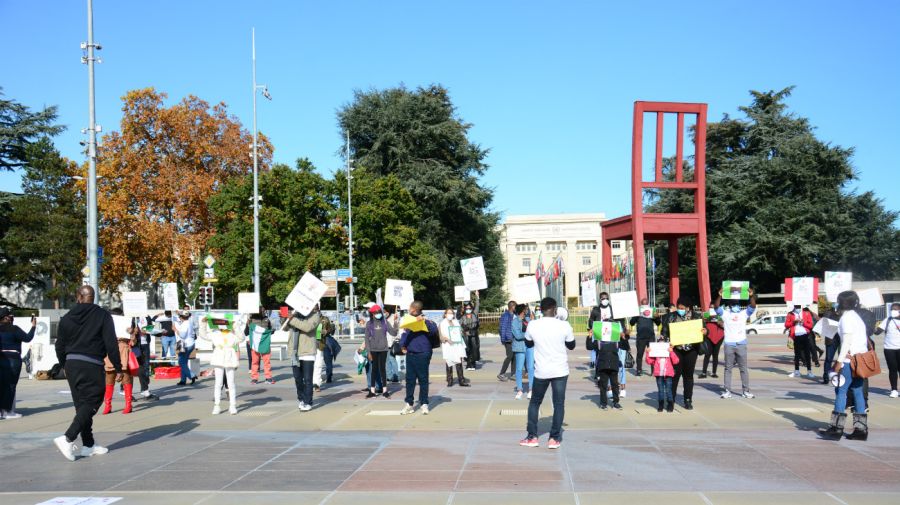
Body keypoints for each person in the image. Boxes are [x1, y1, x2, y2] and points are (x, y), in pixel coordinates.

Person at [53, 285, 122, 461]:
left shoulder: (67, 317)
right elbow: (111, 344)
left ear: (78, 297)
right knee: (94, 399)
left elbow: (59, 345)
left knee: (81, 406)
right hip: (91, 363)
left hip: (72, 363)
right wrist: (119, 367)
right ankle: (67, 438)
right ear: (93, 297)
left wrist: (64, 365)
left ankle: (88, 445)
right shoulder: (102, 315)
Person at [520, 297, 576, 449]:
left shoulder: (533, 324)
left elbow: (528, 343)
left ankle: (532, 437)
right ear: (555, 309)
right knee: (558, 404)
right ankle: (554, 438)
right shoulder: (564, 325)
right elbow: (571, 345)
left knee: (535, 403)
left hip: (542, 371)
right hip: (560, 370)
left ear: (541, 310)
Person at [819, 291, 872, 441]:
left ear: (841, 302)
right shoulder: (856, 317)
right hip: (859, 360)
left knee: (841, 391)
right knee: (857, 391)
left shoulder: (846, 318)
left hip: (849, 361)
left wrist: (839, 361)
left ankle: (836, 428)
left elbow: (847, 341)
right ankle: (861, 430)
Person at [199, 313, 245, 415]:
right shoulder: (215, 333)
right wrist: (203, 323)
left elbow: (242, 338)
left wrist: (235, 326)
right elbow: (203, 335)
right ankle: (217, 405)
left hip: (230, 357)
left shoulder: (232, 334)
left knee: (231, 383)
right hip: (218, 356)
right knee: (218, 383)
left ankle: (232, 405)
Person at [716, 288, 757, 399]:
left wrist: (751, 296)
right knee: (728, 368)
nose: (736, 306)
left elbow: (753, 306)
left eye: (737, 304)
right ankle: (727, 391)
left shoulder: (743, 313)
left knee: (743, 368)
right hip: (729, 344)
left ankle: (746, 391)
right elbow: (716, 307)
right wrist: (720, 295)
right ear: (730, 306)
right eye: (733, 304)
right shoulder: (725, 314)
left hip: (741, 344)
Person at [587, 292, 630, 397]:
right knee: (605, 361)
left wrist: (625, 333)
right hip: (602, 337)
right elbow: (591, 322)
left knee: (620, 362)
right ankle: (609, 386)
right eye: (603, 298)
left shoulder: (614, 309)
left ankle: (622, 387)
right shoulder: (596, 310)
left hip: (615, 335)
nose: (605, 300)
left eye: (606, 298)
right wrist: (593, 329)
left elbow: (622, 322)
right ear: (600, 299)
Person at [399, 301, 438, 414]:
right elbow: (404, 333)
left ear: (414, 310)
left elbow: (434, 330)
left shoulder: (426, 320)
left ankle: (424, 404)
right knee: (410, 380)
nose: (408, 309)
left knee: (423, 379)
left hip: (423, 353)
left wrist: (424, 322)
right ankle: (409, 404)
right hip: (410, 353)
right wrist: (402, 345)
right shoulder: (409, 320)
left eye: (410, 308)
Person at [661, 298, 699, 410]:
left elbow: (704, 330)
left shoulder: (696, 317)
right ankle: (670, 401)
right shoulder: (671, 317)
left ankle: (687, 400)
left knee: (688, 376)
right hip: (676, 350)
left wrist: (705, 331)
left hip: (691, 350)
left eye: (683, 308)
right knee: (674, 376)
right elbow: (664, 332)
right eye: (679, 308)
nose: (680, 310)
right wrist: (666, 340)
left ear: (688, 307)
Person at [0, 308, 35, 419]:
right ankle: (8, 412)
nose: (12, 316)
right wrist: (33, 326)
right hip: (13, 359)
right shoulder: (14, 329)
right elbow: (28, 338)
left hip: (1, 358)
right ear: (6, 317)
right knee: (10, 385)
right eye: (10, 315)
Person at [101, 308, 136, 415]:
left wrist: (131, 333)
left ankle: (128, 405)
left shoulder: (129, 324)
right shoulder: (105, 324)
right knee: (109, 378)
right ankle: (107, 405)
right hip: (110, 350)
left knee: (126, 377)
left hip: (123, 349)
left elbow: (134, 342)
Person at [287, 306, 320, 411]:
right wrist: (285, 318)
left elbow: (307, 327)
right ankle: (301, 399)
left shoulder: (315, 316)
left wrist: (292, 319)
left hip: (308, 352)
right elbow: (284, 328)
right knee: (297, 379)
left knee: (307, 379)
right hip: (295, 352)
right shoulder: (295, 315)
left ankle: (308, 401)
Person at [363, 304, 398, 398]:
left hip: (383, 349)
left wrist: (395, 322)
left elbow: (393, 333)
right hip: (373, 349)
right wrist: (369, 352)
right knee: (373, 370)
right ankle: (372, 391)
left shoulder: (385, 322)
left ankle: (385, 391)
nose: (378, 314)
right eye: (376, 312)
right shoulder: (369, 324)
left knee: (383, 370)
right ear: (372, 314)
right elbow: (366, 339)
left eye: (379, 312)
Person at [587, 330, 621, 410]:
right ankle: (603, 403)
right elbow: (589, 347)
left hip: (613, 365)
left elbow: (625, 346)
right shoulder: (599, 341)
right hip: (603, 365)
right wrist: (590, 337)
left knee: (615, 385)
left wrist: (624, 337)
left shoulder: (616, 339)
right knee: (603, 386)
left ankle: (616, 402)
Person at [438, 307, 469, 387]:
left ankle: (461, 380)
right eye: (448, 313)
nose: (450, 315)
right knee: (449, 362)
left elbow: (459, 332)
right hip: (448, 345)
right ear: (445, 314)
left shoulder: (456, 322)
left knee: (459, 362)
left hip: (457, 344)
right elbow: (441, 336)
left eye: (451, 313)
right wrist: (447, 339)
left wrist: (462, 332)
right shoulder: (442, 323)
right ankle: (450, 380)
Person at [875, 302, 900, 397]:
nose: (893, 311)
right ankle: (894, 390)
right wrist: (873, 325)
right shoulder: (888, 320)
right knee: (892, 369)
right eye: (892, 309)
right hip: (889, 348)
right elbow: (877, 332)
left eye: (895, 309)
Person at [646, 342, 679, 412]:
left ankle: (670, 404)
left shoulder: (669, 353)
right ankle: (661, 404)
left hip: (668, 374)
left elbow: (676, 361)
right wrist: (648, 353)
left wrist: (671, 352)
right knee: (660, 390)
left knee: (668, 390)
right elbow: (649, 361)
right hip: (659, 375)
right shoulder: (656, 354)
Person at [629, 300, 659, 376]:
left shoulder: (651, 312)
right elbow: (631, 323)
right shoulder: (638, 312)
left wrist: (657, 317)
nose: (645, 307)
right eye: (643, 305)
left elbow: (658, 323)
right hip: (640, 337)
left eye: (646, 305)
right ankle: (639, 370)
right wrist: (636, 315)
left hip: (650, 336)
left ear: (648, 305)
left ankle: (653, 370)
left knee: (653, 354)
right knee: (639, 354)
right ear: (641, 305)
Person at [246, 308, 275, 385]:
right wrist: (248, 338)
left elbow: (270, 330)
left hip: (265, 343)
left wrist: (272, 330)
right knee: (255, 361)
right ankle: (254, 378)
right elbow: (246, 331)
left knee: (267, 362)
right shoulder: (251, 319)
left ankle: (268, 377)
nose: (262, 310)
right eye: (260, 308)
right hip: (255, 344)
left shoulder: (267, 319)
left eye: (263, 309)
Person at [785, 304, 815, 379]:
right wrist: (793, 322)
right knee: (797, 355)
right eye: (796, 306)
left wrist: (803, 322)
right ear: (794, 306)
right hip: (796, 336)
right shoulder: (790, 314)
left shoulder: (806, 313)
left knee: (807, 354)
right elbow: (786, 325)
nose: (798, 308)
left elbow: (811, 325)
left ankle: (809, 371)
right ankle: (797, 371)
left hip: (805, 335)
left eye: (799, 306)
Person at [511, 304, 534, 399]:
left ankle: (531, 389)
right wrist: (528, 334)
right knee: (519, 369)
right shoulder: (515, 322)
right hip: (520, 348)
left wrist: (532, 321)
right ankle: (520, 390)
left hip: (530, 346)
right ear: (522, 311)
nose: (527, 311)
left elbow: (534, 330)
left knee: (531, 368)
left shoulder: (528, 320)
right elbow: (518, 335)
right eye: (526, 309)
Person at [699, 301, 724, 379]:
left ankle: (714, 372)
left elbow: (726, 325)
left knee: (715, 355)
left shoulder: (722, 315)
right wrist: (703, 319)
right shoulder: (706, 314)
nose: (712, 308)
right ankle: (704, 372)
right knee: (707, 354)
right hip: (709, 336)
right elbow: (701, 324)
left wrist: (721, 322)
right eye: (711, 307)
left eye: (714, 307)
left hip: (719, 336)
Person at [174, 311, 197, 385]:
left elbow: (182, 335)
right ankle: (183, 380)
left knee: (181, 362)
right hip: (188, 343)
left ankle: (192, 375)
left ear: (181, 317)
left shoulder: (184, 324)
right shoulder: (188, 322)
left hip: (185, 344)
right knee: (184, 362)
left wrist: (175, 330)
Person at [459, 294, 480, 370]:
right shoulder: (462, 317)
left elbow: (477, 305)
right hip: (466, 335)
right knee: (467, 349)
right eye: (467, 308)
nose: (468, 309)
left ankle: (473, 364)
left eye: (469, 308)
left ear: (471, 308)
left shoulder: (474, 314)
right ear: (465, 309)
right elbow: (460, 326)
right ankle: (468, 363)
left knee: (474, 349)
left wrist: (477, 297)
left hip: (474, 335)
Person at [498, 300, 516, 381]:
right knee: (510, 356)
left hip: (513, 339)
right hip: (508, 339)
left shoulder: (514, 315)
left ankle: (513, 374)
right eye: (515, 306)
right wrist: (503, 339)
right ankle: (501, 374)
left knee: (514, 357)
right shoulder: (506, 315)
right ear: (512, 307)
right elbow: (503, 328)